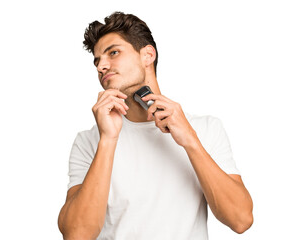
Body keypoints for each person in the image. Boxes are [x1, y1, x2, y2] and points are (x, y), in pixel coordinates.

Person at [58, 12, 253, 240]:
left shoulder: (206, 128)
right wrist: (108, 140)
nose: (101, 66)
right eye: (97, 60)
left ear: (148, 55)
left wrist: (190, 140)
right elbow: (77, 234)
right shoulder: (89, 141)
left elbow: (241, 219)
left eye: (113, 53)